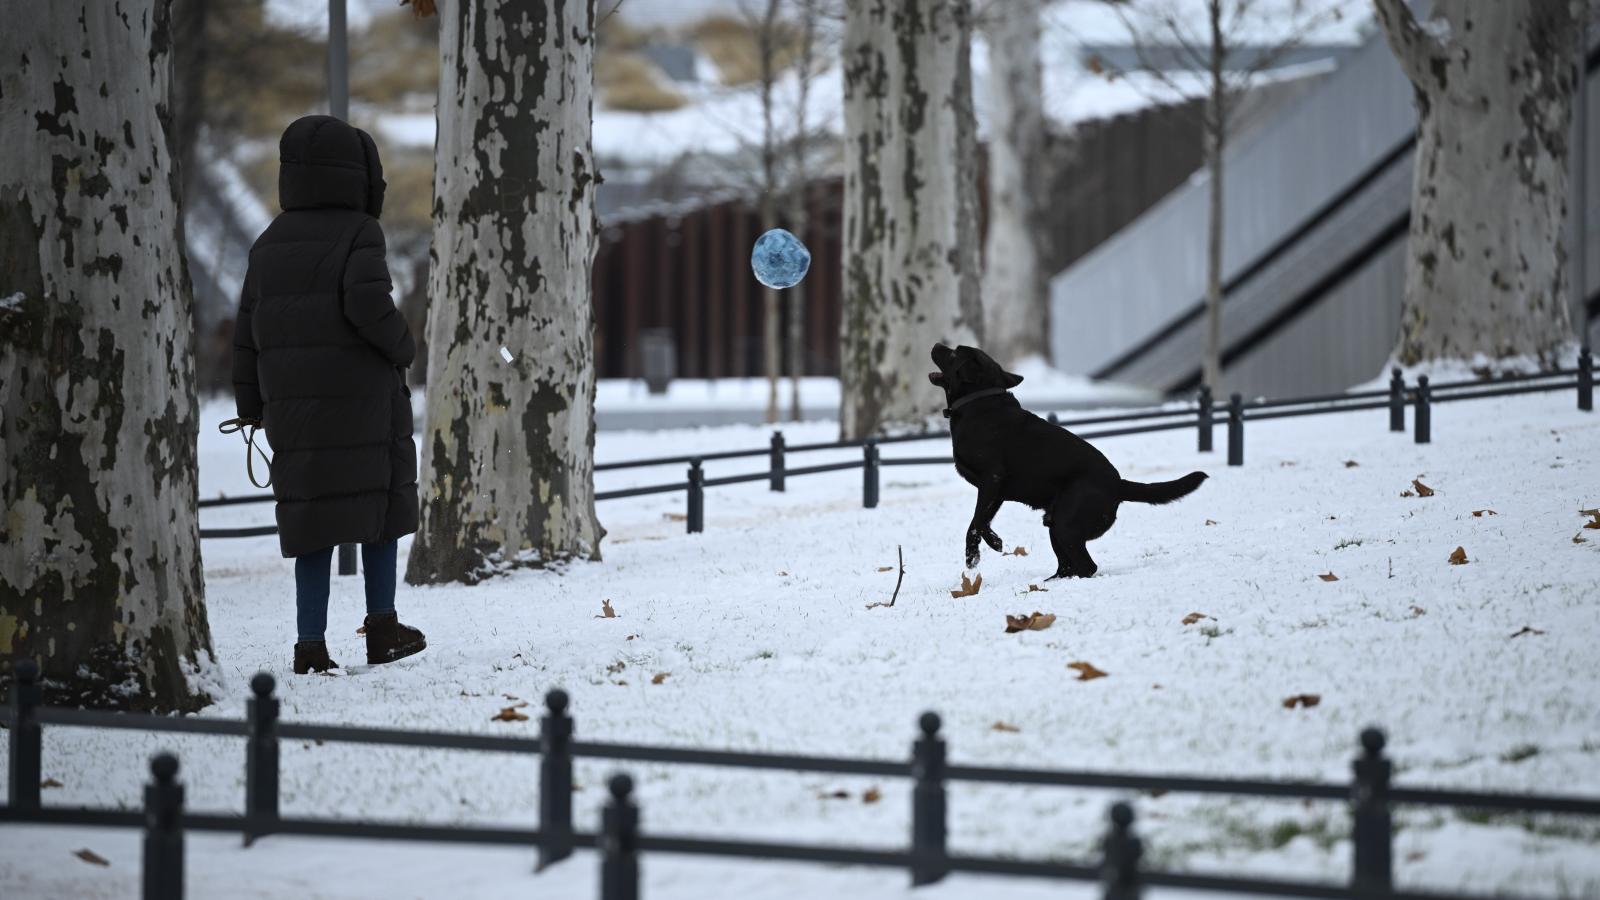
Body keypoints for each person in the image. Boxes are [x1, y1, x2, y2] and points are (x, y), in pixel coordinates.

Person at [231, 116, 426, 674]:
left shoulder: (268, 241)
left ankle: (310, 646)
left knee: (312, 521)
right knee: (381, 510)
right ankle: (383, 629)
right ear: (359, 175)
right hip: (362, 404)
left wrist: (250, 405)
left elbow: (248, 330)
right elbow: (368, 306)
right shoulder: (361, 233)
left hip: (293, 412)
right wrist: (403, 346)